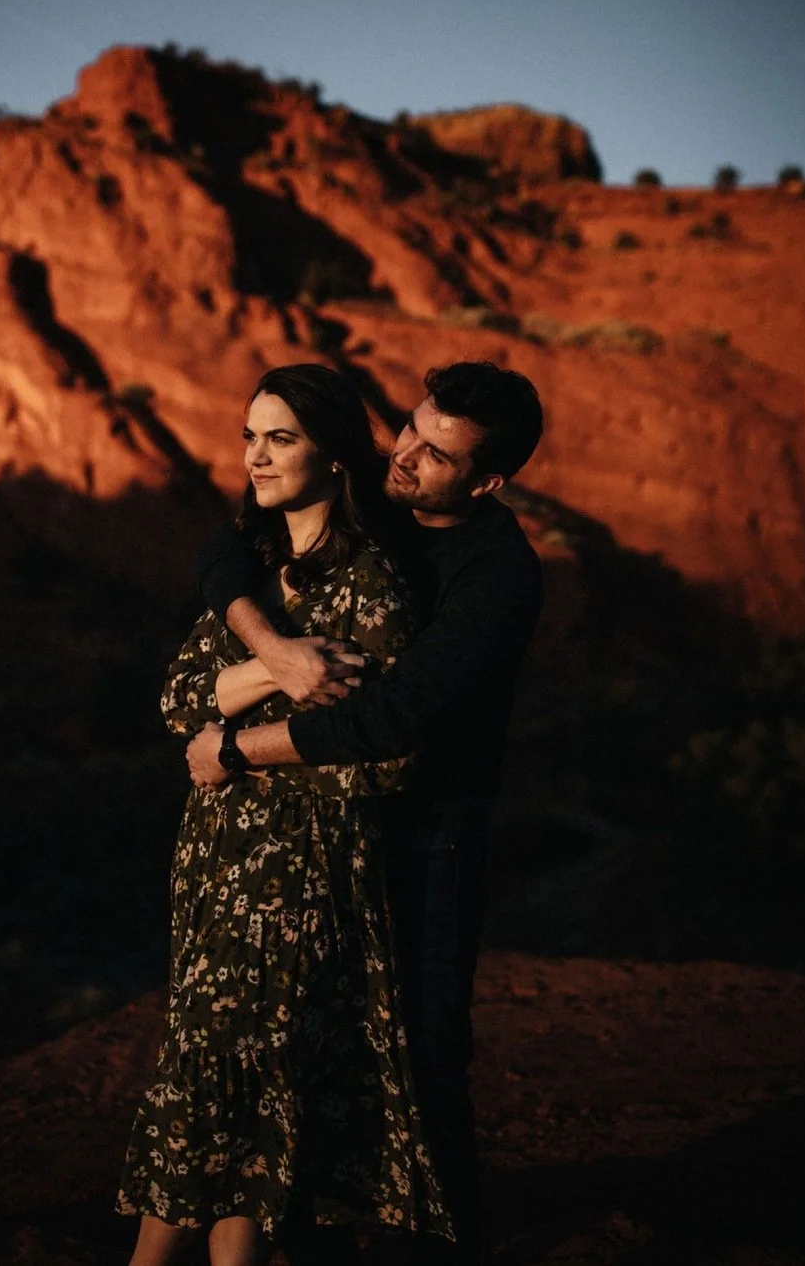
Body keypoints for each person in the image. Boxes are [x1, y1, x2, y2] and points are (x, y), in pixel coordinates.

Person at [187, 361, 545, 1262]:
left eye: (437, 452)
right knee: (313, 1047)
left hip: (428, 835)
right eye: (411, 430)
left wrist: (233, 750)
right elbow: (224, 548)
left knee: (422, 1056)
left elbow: (392, 719)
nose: (409, 455)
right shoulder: (376, 504)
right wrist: (273, 647)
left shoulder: (496, 573)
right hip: (325, 834)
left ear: (487, 480)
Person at [117, 363, 452, 1266]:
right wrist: (281, 664)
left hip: (299, 880)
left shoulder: (373, 591)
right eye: (249, 436)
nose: (256, 457)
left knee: (230, 1091)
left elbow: (382, 758)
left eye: (281, 438)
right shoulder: (257, 569)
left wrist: (235, 745)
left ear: (335, 456)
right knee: (236, 1096)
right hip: (215, 867)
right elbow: (181, 695)